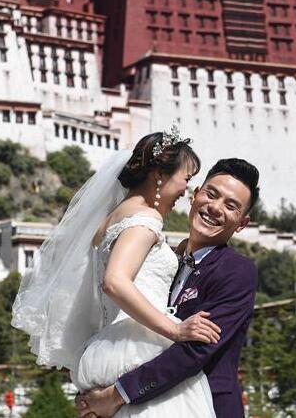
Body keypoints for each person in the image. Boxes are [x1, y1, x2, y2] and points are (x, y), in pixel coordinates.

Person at [12, 128, 231, 416]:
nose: (185, 190)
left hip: (110, 345)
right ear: (160, 175)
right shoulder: (145, 219)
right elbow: (114, 282)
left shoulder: (110, 220)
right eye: (186, 179)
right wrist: (175, 330)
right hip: (142, 346)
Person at [76, 157, 261, 418]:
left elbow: (194, 351)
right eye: (211, 194)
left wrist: (115, 395)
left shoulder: (236, 271)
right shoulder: (165, 260)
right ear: (195, 195)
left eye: (231, 206)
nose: (215, 208)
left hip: (205, 406)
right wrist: (95, 391)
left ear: (242, 223)